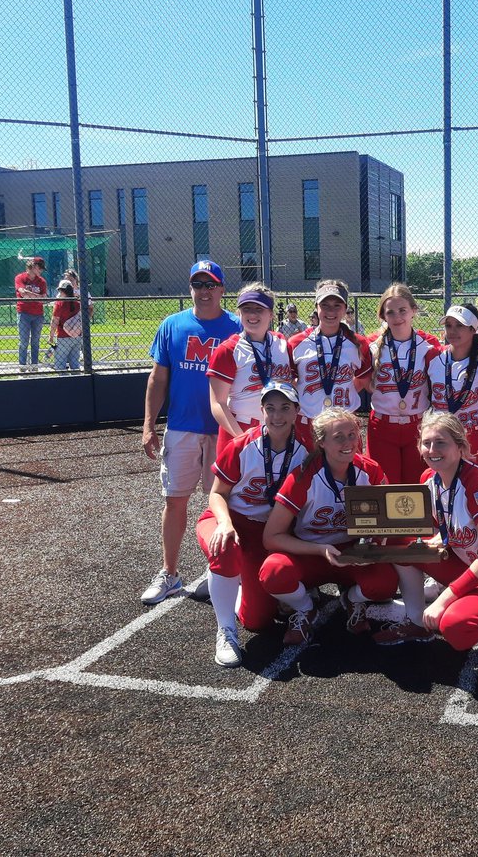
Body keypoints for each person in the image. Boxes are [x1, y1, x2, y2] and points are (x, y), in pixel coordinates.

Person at [374, 412, 478, 673]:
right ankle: (416, 621)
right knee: (400, 542)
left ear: (460, 446)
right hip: (474, 569)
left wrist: (443, 599)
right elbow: (449, 525)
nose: (432, 450)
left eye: (441, 443)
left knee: (455, 628)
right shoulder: (430, 478)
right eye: (427, 443)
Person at [139, 259, 241, 605]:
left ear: (222, 289)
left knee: (223, 503)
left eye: (210, 284)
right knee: (175, 499)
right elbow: (158, 378)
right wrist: (148, 425)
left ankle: (219, 571)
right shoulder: (173, 325)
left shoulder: (238, 327)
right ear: (190, 288)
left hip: (224, 430)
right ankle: (169, 572)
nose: (204, 291)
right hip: (182, 427)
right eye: (198, 284)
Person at [260, 408, 399, 645]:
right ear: (321, 442)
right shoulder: (303, 477)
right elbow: (271, 537)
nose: (348, 442)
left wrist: (371, 544)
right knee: (273, 573)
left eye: (352, 434)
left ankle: (351, 599)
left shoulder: (370, 470)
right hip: (311, 551)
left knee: (385, 584)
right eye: (338, 437)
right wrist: (320, 549)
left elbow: (386, 520)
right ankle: (306, 608)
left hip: (351, 553)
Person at [196, 382, 309, 667]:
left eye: (285, 407)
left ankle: (234, 585)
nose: (277, 415)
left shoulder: (306, 450)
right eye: (270, 408)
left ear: (297, 411)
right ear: (261, 411)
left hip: (267, 530)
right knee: (225, 549)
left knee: (258, 620)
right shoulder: (242, 445)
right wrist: (224, 523)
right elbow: (217, 494)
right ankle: (225, 631)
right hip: (230, 519)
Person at [366, 283, 441, 484]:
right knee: (385, 488)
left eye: (403, 310)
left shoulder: (429, 345)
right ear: (383, 316)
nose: (397, 317)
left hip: (417, 426)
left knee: (416, 488)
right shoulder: (371, 345)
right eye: (390, 312)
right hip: (382, 426)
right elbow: (362, 381)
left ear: (413, 311)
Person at [207, 283, 293, 453]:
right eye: (246, 309)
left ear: (271, 314)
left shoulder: (282, 343)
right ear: (239, 313)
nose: (252, 314)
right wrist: (242, 439)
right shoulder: (228, 349)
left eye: (259, 309)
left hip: (278, 428)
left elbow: (293, 383)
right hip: (240, 427)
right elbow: (218, 403)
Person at [287, 280, 372, 436]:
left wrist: (342, 389)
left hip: (345, 422)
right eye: (325, 305)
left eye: (337, 305)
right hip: (308, 422)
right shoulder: (296, 343)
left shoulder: (358, 343)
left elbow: (363, 380)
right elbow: (290, 383)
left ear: (345, 308)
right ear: (316, 307)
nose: (330, 311)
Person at [427, 303, 478, 468]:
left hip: (475, 433)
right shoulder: (432, 356)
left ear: (473, 329)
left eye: (460, 325)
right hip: (441, 433)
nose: (452, 331)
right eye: (448, 325)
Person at [15, 256, 48, 371]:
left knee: (35, 342)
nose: (42, 271)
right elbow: (22, 293)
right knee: (24, 341)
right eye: (40, 268)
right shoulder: (20, 277)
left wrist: (31, 296)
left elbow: (44, 299)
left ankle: (34, 366)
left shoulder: (42, 281)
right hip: (24, 313)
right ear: (33, 266)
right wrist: (38, 297)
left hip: (38, 314)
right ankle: (22, 366)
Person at [48, 279, 82, 372]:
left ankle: (62, 383)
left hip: (63, 337)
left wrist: (51, 336)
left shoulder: (60, 304)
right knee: (75, 363)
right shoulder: (77, 303)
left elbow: (55, 321)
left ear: (63, 291)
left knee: (60, 363)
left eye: (60, 290)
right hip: (77, 336)